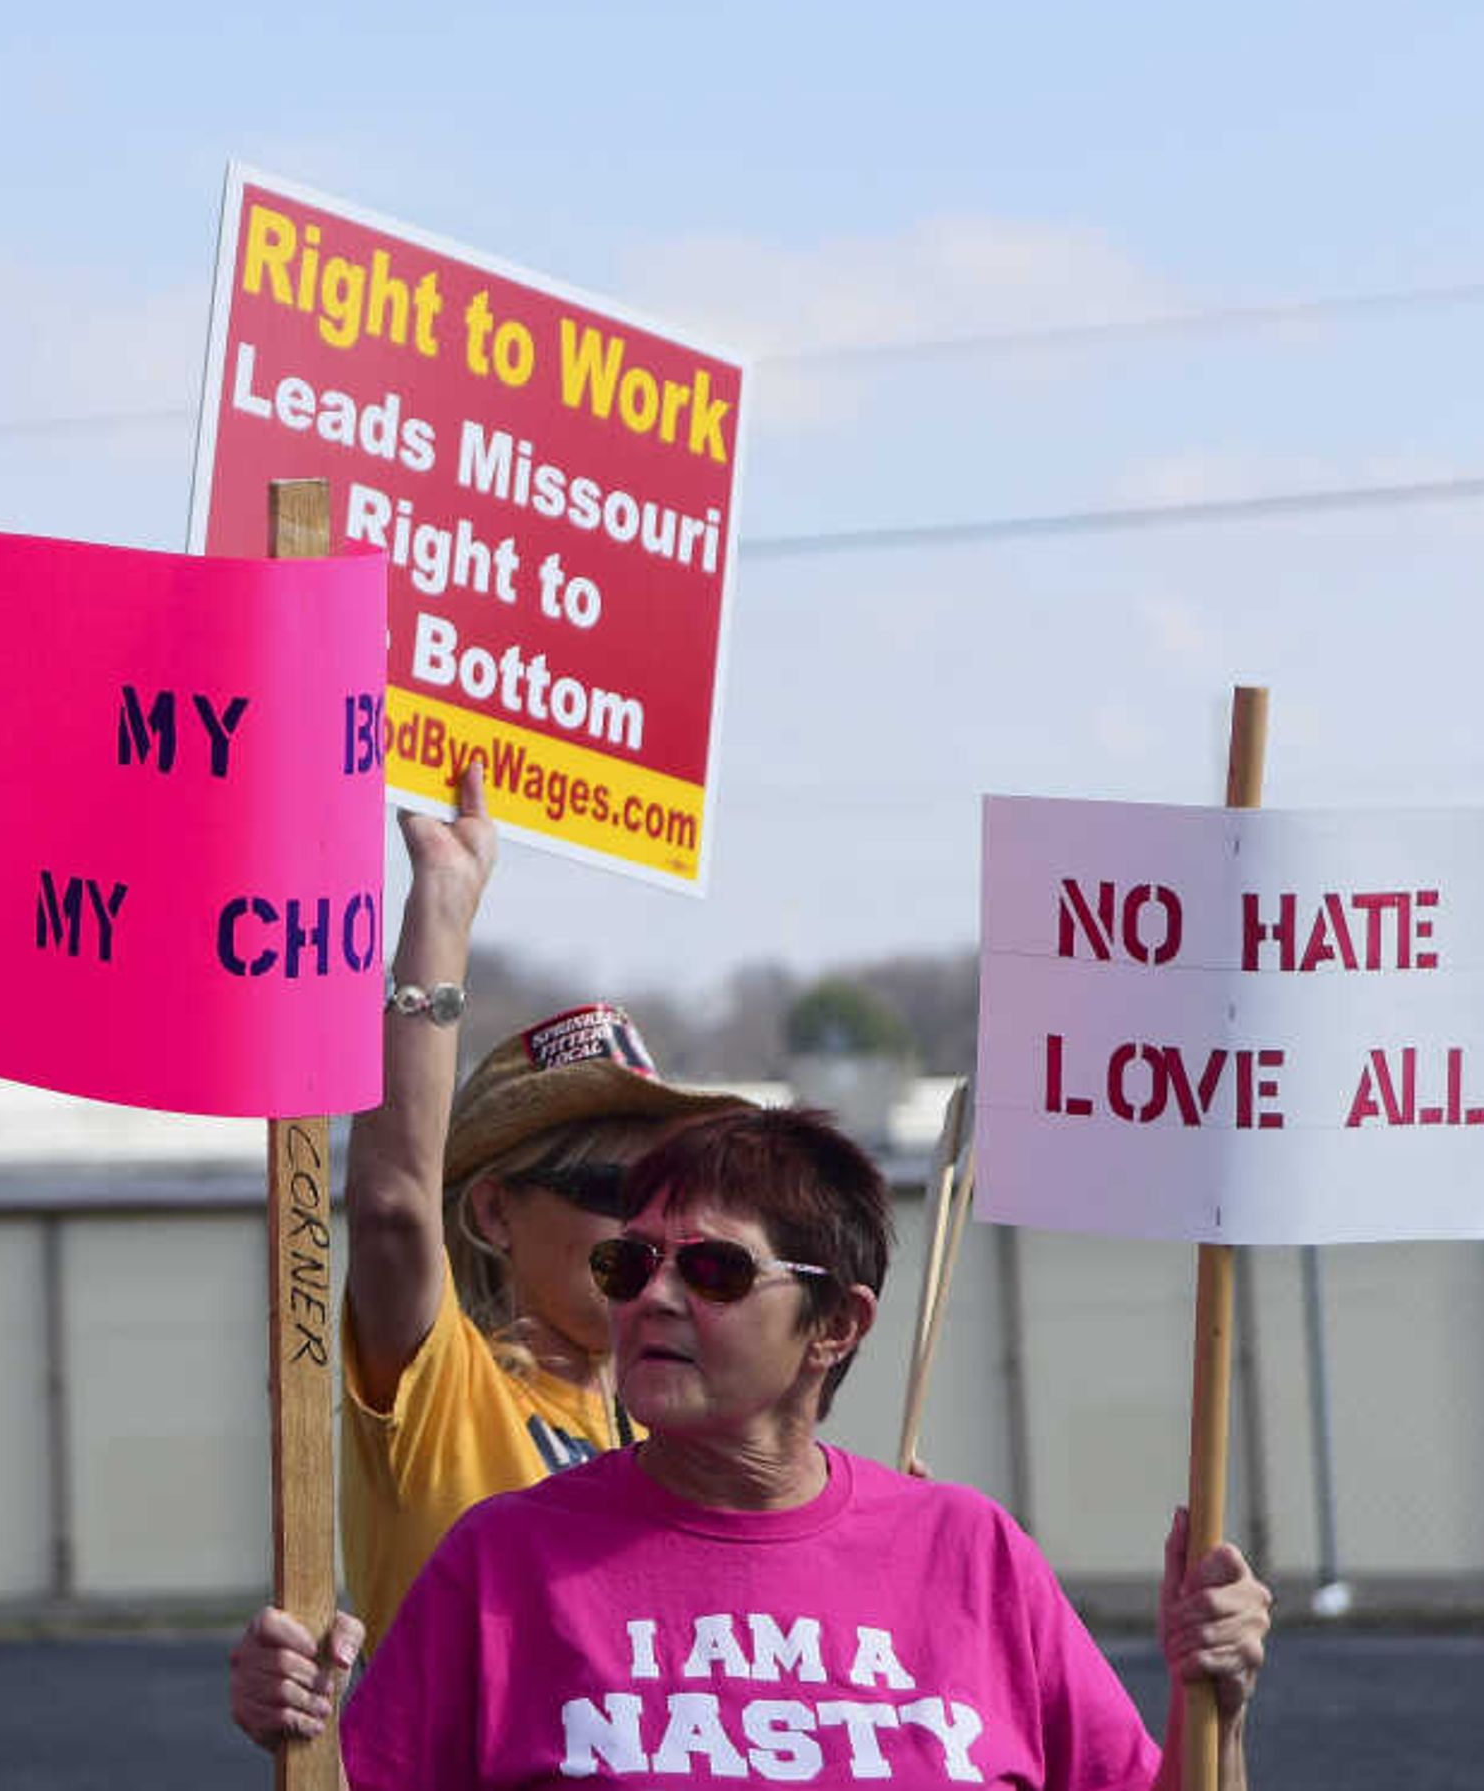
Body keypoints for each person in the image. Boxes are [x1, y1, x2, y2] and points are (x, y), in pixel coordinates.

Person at [325, 1104, 1273, 1789]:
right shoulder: (505, 1559)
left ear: (835, 1325)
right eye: (631, 1261)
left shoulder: (971, 1551)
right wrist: (297, 1719)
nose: (653, 1295)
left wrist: (1215, 1705)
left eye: (712, 1267)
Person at [228, 762, 758, 1744]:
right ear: (494, 1213)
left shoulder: (703, 1435)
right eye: (614, 1191)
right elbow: (390, 1208)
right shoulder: (444, 1390)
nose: (655, 1231)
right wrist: (443, 895)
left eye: (674, 1192)